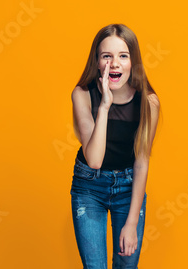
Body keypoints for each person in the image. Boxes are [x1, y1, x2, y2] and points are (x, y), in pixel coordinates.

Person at [70, 23, 161, 268]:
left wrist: (132, 223)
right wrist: (105, 106)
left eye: (123, 56)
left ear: (133, 62)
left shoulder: (148, 102)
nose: (116, 63)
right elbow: (95, 160)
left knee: (126, 265)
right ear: (97, 63)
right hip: (90, 187)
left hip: (129, 188)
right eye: (106, 56)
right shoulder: (82, 94)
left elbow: (141, 162)